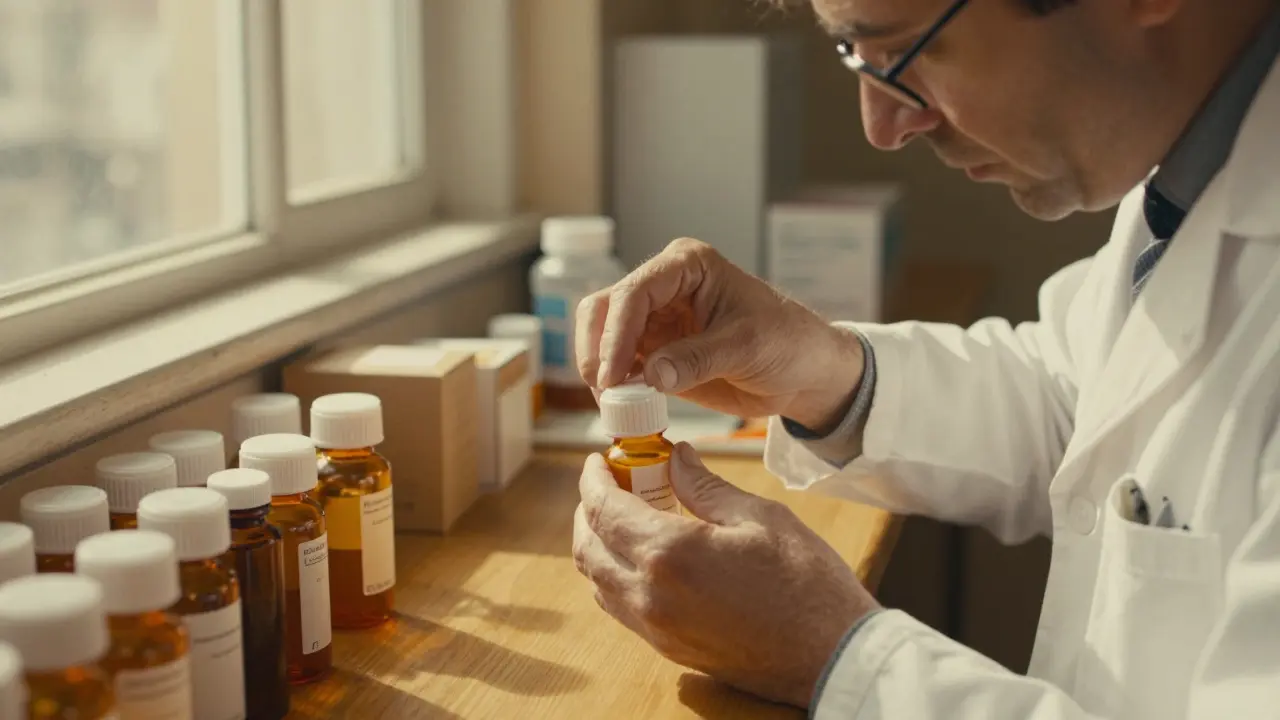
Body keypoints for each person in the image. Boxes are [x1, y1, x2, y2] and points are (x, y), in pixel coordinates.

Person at [570, 0, 1280, 717]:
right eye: (854, 55)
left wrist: (837, 658)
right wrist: (822, 370)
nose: (883, 126)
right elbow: (1083, 400)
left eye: (901, 54)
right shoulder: (1201, 169)